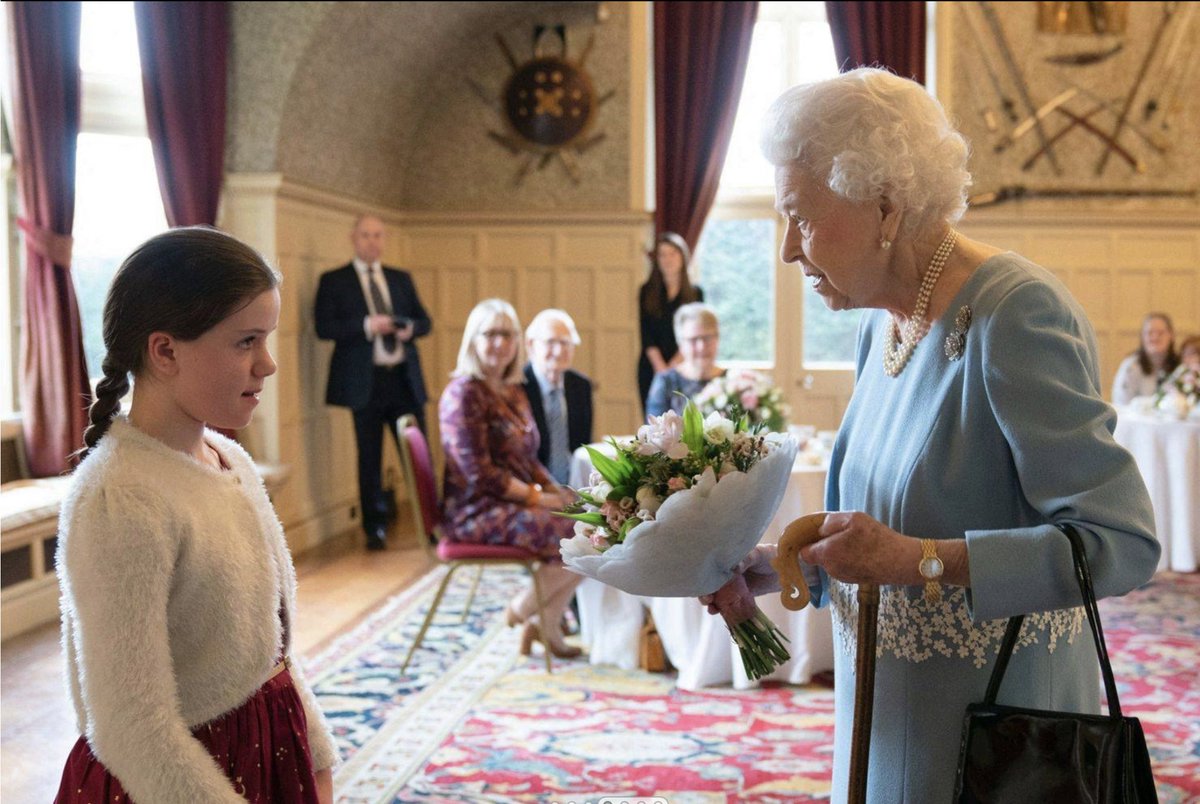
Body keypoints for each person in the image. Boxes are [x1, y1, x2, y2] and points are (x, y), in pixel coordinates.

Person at [701, 68, 1159, 803]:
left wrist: (923, 562)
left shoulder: (1016, 314)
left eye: (801, 217)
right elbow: (892, 530)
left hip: (996, 746)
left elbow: (1121, 544)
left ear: (885, 209)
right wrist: (773, 564)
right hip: (881, 721)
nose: (787, 249)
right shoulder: (882, 322)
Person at [54, 228, 337, 803]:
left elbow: (271, 650)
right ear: (165, 351)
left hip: (266, 747)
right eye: (246, 342)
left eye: (268, 339)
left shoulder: (227, 458)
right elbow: (130, 726)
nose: (269, 363)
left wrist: (320, 759)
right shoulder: (120, 499)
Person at [439, 299, 584, 659]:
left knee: (592, 522)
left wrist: (557, 490)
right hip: (475, 512)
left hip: (508, 502)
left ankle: (545, 626)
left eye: (507, 334)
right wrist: (542, 499)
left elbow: (528, 457)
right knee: (577, 535)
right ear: (473, 339)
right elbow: (480, 474)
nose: (500, 343)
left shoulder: (513, 389)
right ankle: (521, 610)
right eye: (490, 334)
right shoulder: (463, 394)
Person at [315, 214, 432, 551]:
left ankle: (431, 522)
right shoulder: (335, 280)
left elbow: (425, 322)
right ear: (353, 237)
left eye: (378, 235)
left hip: (404, 379)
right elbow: (324, 328)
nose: (372, 241)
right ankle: (374, 528)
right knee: (369, 457)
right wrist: (368, 325)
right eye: (366, 235)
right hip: (364, 383)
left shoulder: (399, 278)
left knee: (418, 454)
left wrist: (408, 327)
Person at [522, 308, 594, 486]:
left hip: (576, 486)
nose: (559, 350)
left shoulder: (581, 385)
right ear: (531, 345)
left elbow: (583, 445)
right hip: (532, 486)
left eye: (565, 343)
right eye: (551, 342)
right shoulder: (518, 386)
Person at [637, 232, 703, 415]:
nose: (668, 259)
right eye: (662, 254)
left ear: (683, 257)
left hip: (686, 365)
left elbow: (697, 333)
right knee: (654, 423)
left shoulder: (696, 293)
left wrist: (674, 366)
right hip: (651, 367)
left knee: (685, 422)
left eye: (673, 253)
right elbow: (646, 335)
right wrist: (662, 370)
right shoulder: (646, 291)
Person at [645, 302, 725, 418]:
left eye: (707, 338)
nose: (701, 346)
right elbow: (653, 432)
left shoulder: (732, 383)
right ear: (681, 343)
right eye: (693, 339)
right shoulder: (666, 382)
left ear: (717, 339)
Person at [1111, 312, 1180, 405]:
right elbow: (1121, 403)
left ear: (1171, 336)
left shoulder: (1181, 366)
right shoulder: (1131, 366)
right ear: (1142, 337)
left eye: (1160, 333)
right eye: (1150, 333)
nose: (1155, 337)